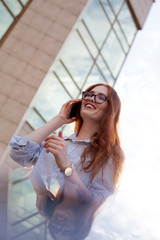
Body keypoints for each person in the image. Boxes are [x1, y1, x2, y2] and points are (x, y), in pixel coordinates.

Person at [10, 83, 125, 239]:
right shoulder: (60, 142)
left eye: (100, 97)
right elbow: (18, 153)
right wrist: (59, 119)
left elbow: (98, 199)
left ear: (110, 111)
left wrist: (66, 168)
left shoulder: (110, 155)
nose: (91, 99)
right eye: (89, 95)